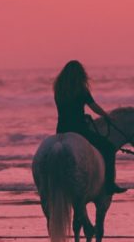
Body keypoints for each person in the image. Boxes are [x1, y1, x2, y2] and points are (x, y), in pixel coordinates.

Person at [53, 60, 125, 196]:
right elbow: (93, 106)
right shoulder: (81, 89)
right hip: (79, 130)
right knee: (108, 148)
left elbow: (67, 110)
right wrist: (106, 116)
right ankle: (110, 184)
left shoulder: (59, 88)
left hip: (61, 130)